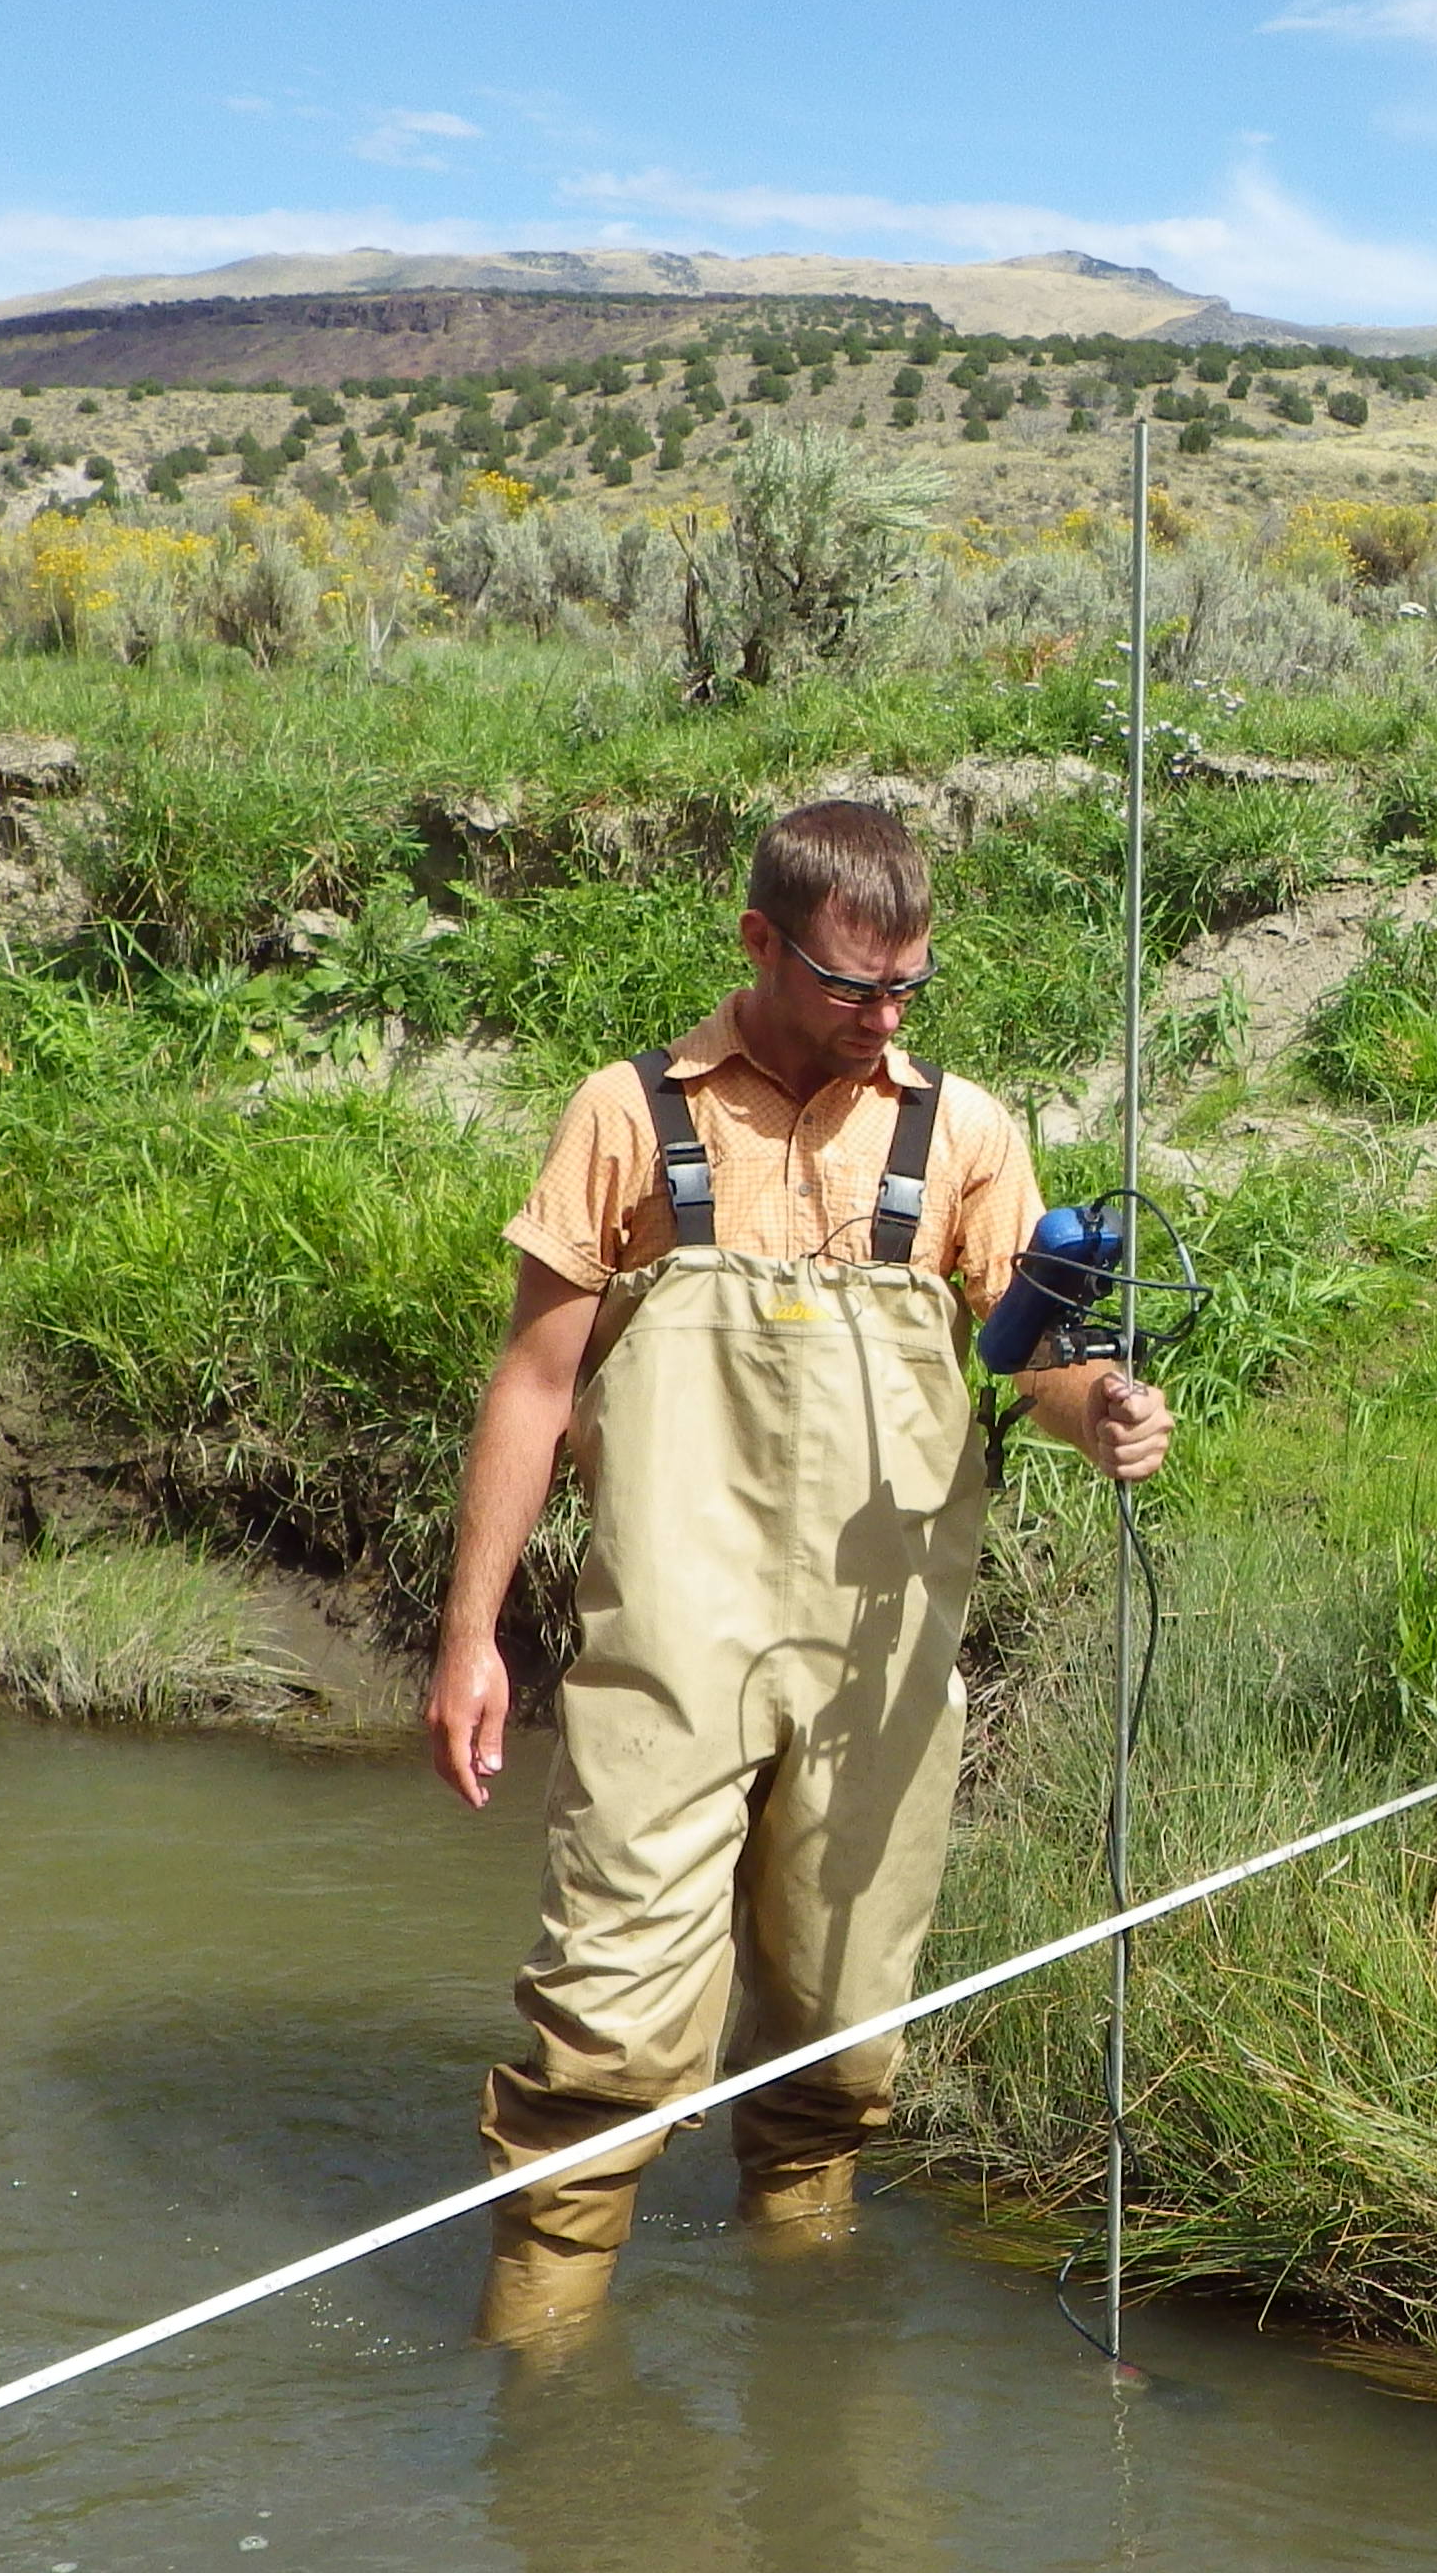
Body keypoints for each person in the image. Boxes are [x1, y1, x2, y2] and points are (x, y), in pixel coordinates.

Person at [427, 800, 1172, 2345]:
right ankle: (544, 2390)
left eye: (908, 989)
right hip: (670, 1651)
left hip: (882, 1655)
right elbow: (534, 1382)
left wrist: (1091, 1407)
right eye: (850, 987)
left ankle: (806, 2347)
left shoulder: (963, 1132)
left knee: (839, 2049)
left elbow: (1027, 1357)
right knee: (608, 2039)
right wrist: (471, 1633)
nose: (882, 1020)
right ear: (760, 941)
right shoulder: (631, 1115)